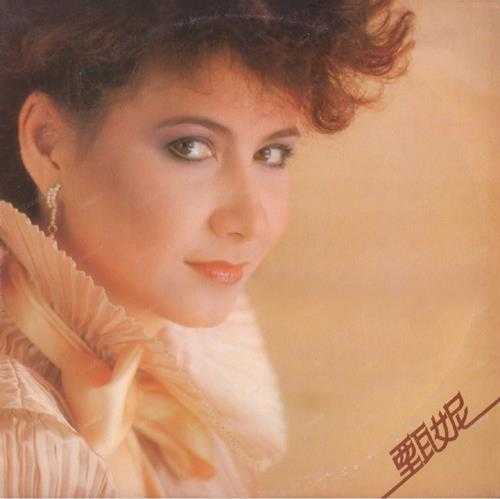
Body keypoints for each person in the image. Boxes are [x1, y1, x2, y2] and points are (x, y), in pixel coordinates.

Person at [0, 1, 415, 497]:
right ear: (48, 143)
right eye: (191, 148)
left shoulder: (197, 362)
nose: (250, 222)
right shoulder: (18, 436)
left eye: (272, 154)